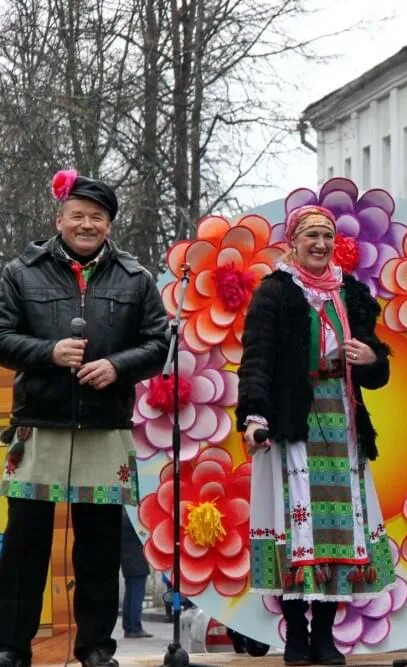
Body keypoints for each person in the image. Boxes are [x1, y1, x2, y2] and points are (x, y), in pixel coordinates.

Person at [0, 170, 169, 667]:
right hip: (40, 425)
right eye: (78, 215)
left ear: (109, 224)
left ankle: (96, 646)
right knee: (23, 546)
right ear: (60, 219)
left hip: (105, 428)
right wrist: (47, 352)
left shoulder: (136, 278)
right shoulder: (20, 271)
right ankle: (11, 646)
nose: (87, 224)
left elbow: (160, 343)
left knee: (99, 547)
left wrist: (118, 366)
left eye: (97, 217)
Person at [237, 205, 394, 667]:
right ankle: (296, 634)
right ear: (293, 242)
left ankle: (325, 634)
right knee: (296, 524)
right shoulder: (275, 293)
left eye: (327, 235)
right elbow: (257, 358)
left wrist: (370, 359)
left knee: (334, 531)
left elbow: (377, 372)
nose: (321, 244)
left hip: (342, 420)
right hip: (292, 421)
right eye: (311, 236)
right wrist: (253, 416)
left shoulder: (352, 294)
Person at [119, 509, 152, 639]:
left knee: (130, 594)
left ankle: (128, 626)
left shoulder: (122, 517)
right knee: (137, 595)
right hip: (138, 560)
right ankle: (135, 627)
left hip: (127, 561)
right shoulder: (133, 518)